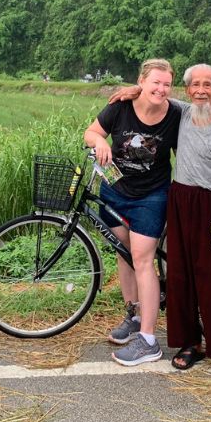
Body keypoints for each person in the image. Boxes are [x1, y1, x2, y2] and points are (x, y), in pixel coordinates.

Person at [87, 59, 185, 366]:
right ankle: (133, 313)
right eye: (155, 82)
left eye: (166, 84)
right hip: (115, 191)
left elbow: (201, 109)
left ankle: (149, 340)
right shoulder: (120, 108)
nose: (161, 88)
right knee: (124, 254)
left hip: (151, 196)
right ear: (141, 81)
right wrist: (100, 142)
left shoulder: (176, 114)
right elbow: (90, 132)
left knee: (143, 260)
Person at [162, 64, 211, 379]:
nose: (200, 90)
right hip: (180, 200)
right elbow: (155, 95)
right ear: (187, 90)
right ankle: (189, 343)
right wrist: (131, 91)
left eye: (207, 85)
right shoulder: (182, 113)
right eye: (195, 85)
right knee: (180, 276)